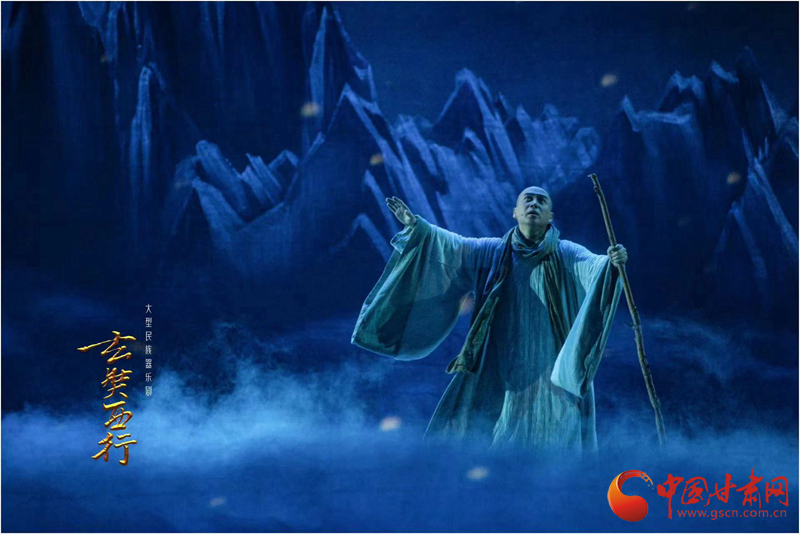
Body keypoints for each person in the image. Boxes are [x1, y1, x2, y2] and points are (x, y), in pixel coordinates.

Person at [351, 187, 627, 453]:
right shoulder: (492, 251)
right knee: (490, 427)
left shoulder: (567, 253)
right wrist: (417, 228)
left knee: (554, 427)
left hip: (548, 358)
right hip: (498, 357)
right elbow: (451, 247)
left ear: (550, 216)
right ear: (515, 212)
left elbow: (596, 266)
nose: (534, 204)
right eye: (528, 200)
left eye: (541, 201)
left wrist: (612, 262)